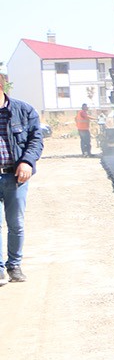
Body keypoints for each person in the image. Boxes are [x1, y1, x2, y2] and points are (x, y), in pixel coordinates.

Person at [0, 86, 44, 285]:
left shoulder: (24, 111)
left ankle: (14, 265)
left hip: (15, 177)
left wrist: (27, 162)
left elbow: (36, 140)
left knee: (15, 224)